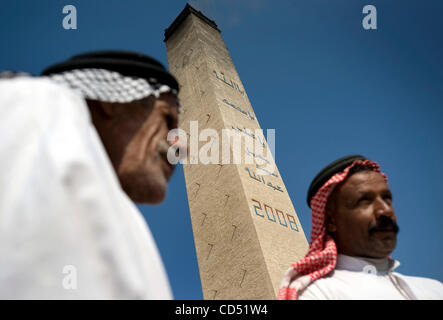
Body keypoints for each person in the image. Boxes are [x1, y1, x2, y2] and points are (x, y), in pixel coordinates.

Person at [0, 51, 183, 299]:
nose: (181, 147)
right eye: (166, 120)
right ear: (114, 101)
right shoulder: (39, 106)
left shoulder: (119, 208)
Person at [278, 155, 443, 300]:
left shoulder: (434, 289)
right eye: (365, 201)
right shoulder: (317, 294)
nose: (386, 210)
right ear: (330, 221)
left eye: (387, 198)